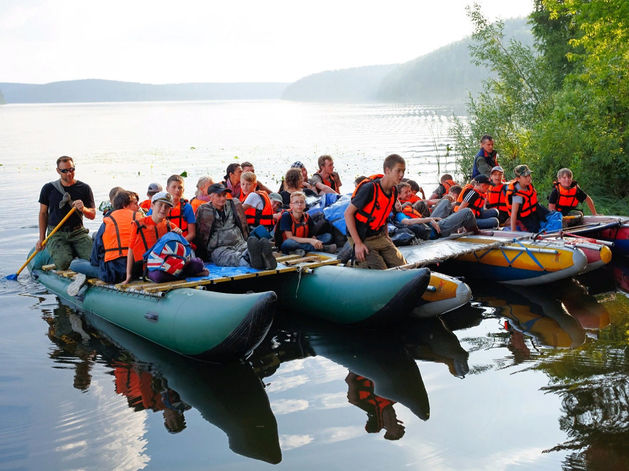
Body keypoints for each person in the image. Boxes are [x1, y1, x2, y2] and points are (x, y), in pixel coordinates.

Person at [344, 154, 408, 270]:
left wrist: (387, 236)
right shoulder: (369, 189)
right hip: (361, 236)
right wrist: (358, 243)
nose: (402, 175)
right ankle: (353, 262)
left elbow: (383, 215)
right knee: (381, 270)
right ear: (387, 170)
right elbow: (348, 214)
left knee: (403, 266)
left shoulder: (394, 191)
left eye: (403, 171)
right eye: (398, 171)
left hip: (378, 235)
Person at [194, 183, 276, 269]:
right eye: (219, 196)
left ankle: (259, 255)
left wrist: (246, 238)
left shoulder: (234, 204)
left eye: (224, 195)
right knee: (229, 257)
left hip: (238, 242)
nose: (222, 199)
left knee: (247, 248)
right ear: (210, 197)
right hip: (219, 248)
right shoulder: (203, 210)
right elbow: (200, 234)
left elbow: (243, 224)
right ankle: (251, 259)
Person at [37, 156, 95, 270]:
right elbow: (43, 214)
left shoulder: (84, 188)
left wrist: (83, 209)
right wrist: (41, 238)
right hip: (56, 233)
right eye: (64, 171)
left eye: (71, 169)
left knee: (95, 259)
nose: (69, 173)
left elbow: (92, 215)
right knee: (64, 264)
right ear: (58, 171)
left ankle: (77, 256)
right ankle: (64, 254)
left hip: (78, 232)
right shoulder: (48, 188)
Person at [70, 190, 141, 283]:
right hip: (138, 270)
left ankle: (86, 275)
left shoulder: (108, 221)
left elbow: (95, 257)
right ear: (124, 205)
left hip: (114, 273)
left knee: (74, 264)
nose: (138, 206)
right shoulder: (141, 219)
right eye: (135, 204)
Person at [122, 192, 183, 284]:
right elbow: (130, 250)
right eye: (160, 205)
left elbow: (180, 252)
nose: (163, 209)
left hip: (167, 265)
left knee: (196, 264)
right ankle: (179, 275)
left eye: (167, 207)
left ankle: (179, 273)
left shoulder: (171, 227)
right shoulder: (138, 225)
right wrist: (128, 276)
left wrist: (178, 236)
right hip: (148, 267)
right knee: (158, 276)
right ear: (152, 205)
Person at [506, 164, 550, 232]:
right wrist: (513, 230)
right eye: (525, 177)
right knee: (535, 229)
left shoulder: (528, 185)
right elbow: (514, 213)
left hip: (534, 209)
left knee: (549, 216)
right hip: (524, 216)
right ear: (518, 179)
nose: (529, 178)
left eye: (529, 175)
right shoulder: (517, 195)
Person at [163, 175, 196, 243]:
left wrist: (180, 244)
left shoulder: (187, 207)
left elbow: (192, 234)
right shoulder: (160, 207)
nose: (177, 190)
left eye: (180, 187)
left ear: (183, 190)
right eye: (174, 187)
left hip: (183, 243)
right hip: (164, 244)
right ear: (167, 188)